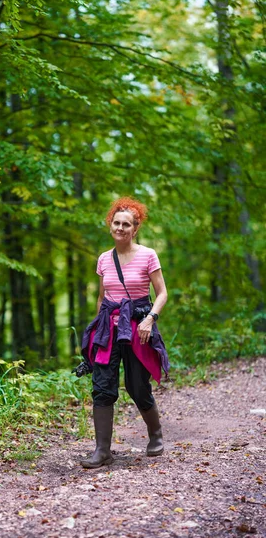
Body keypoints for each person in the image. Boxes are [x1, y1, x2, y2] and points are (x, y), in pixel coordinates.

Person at [80, 197, 170, 468]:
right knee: (102, 387)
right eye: (116, 223)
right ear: (111, 224)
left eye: (126, 224)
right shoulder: (104, 259)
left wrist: (150, 320)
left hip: (137, 326)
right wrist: (97, 332)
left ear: (135, 228)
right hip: (108, 328)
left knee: (137, 386)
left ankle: (155, 435)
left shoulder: (148, 255)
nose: (120, 228)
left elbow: (162, 293)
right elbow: (102, 297)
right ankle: (102, 451)